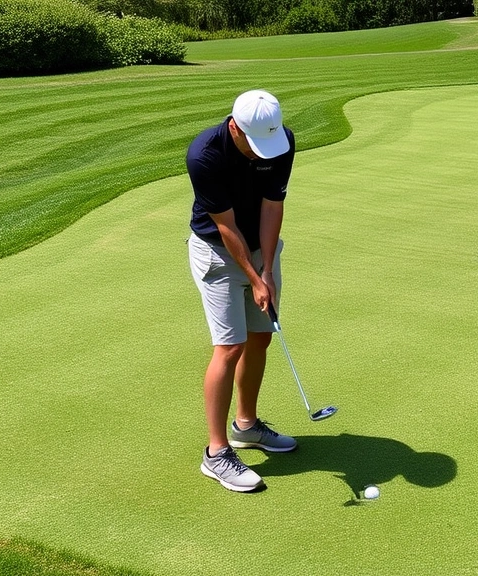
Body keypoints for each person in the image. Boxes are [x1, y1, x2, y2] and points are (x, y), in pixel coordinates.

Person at [186, 89, 298, 493]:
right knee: (230, 347)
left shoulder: (280, 142)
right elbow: (226, 226)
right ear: (234, 127)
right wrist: (254, 277)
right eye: (253, 144)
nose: (259, 153)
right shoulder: (204, 155)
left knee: (260, 337)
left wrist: (267, 268)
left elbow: (272, 206)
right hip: (217, 252)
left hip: (259, 249)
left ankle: (246, 426)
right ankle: (216, 453)